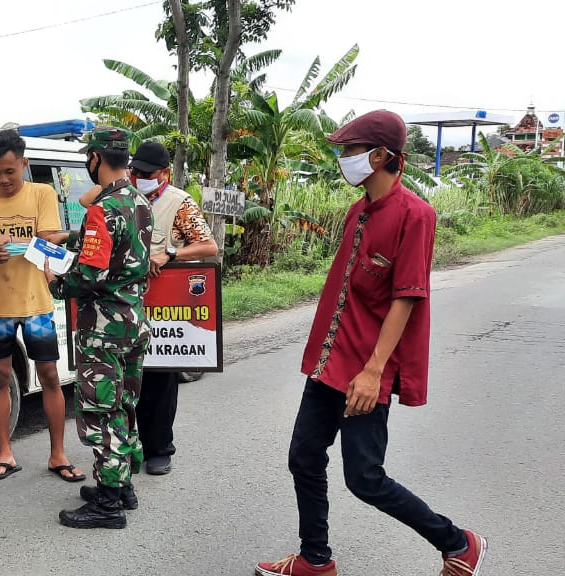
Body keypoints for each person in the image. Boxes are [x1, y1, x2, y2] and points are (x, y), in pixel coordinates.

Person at [254, 110, 486, 576]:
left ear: (380, 156)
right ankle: (315, 560)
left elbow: (406, 298)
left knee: (364, 478)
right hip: (331, 360)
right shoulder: (357, 211)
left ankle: (458, 543)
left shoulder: (415, 215)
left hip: (365, 370)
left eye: (350, 151)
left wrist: (374, 370)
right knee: (303, 456)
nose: (343, 159)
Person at [45, 127, 152, 529]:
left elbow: (89, 274)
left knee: (101, 413)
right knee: (123, 405)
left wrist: (56, 282)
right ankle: (122, 486)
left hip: (103, 328)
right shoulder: (137, 201)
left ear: (95, 158)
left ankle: (108, 504)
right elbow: (124, 245)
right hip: (134, 323)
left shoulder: (101, 209)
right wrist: (72, 236)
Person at [0, 130, 83, 483]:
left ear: (24, 164)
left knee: (49, 376)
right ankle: (5, 453)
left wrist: (9, 243)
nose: (3, 179)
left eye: (10, 172)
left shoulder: (42, 193)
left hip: (37, 305)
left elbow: (47, 242)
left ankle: (58, 454)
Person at [128, 140, 218, 477]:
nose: (138, 177)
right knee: (129, 382)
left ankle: (160, 449)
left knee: (159, 382)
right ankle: (130, 447)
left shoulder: (179, 203)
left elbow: (209, 246)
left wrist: (169, 253)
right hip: (128, 302)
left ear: (164, 173)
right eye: (134, 171)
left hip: (165, 306)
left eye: (146, 173)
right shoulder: (125, 196)